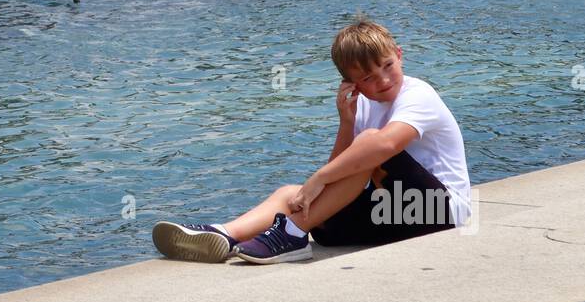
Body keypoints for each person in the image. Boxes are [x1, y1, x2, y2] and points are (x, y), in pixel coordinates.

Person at [152, 16, 471, 264]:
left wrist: (318, 179)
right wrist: (346, 123)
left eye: (388, 66)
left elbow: (384, 147)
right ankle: (225, 235)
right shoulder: (361, 106)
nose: (383, 80)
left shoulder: (418, 94)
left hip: (436, 212)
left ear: (399, 56)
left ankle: (290, 233)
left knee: (370, 146)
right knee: (291, 193)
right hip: (390, 215)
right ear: (351, 84)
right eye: (368, 78)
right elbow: (342, 172)